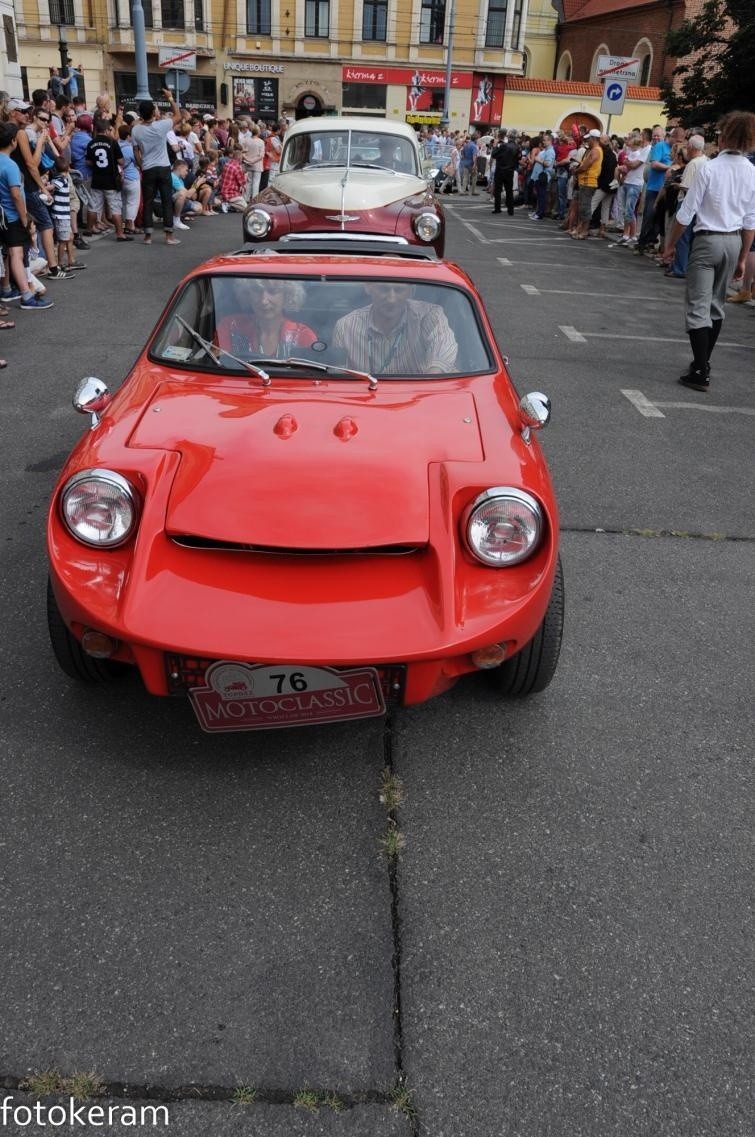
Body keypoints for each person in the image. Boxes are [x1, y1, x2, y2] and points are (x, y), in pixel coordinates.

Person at [663, 111, 755, 392]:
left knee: (698, 307)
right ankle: (702, 362)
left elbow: (685, 214)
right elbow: (751, 220)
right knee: (716, 306)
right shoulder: (751, 172)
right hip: (733, 240)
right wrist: (742, 257)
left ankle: (701, 369)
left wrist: (670, 245)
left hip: (707, 240)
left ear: (724, 136)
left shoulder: (710, 168)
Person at [333, 282, 457, 375]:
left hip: (418, 399)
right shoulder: (345, 326)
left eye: (399, 290)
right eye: (384, 289)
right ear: (368, 287)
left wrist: (433, 376)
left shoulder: (429, 315)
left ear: (411, 291)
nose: (391, 299)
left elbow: (444, 346)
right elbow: (337, 376)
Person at [0, 121, 54, 312]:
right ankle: (26, 295)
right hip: (12, 216)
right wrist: (24, 217)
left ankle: (6, 289)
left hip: (2, 216)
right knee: (16, 254)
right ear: (14, 141)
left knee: (6, 253)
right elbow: (15, 194)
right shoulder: (10, 165)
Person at [215, 278, 317, 358]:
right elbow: (216, 367)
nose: (264, 300)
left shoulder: (303, 336)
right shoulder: (230, 326)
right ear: (247, 294)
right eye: (257, 290)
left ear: (287, 295)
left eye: (272, 291)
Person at [131, 89, 183, 246]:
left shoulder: (136, 130)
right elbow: (178, 116)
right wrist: (170, 98)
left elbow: (136, 152)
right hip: (163, 167)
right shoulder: (161, 126)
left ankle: (148, 237)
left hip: (148, 168)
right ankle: (169, 236)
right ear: (153, 113)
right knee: (167, 200)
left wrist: (142, 165)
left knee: (148, 201)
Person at [86, 118, 129, 240]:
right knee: (115, 207)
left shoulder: (91, 143)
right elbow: (121, 161)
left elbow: (88, 162)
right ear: (106, 129)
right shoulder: (112, 142)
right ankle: (120, 233)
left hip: (97, 180)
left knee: (93, 206)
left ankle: (89, 229)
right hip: (111, 180)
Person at [572, 129, 602, 239]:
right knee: (583, 207)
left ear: (594, 139)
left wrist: (575, 171)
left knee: (585, 208)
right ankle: (581, 229)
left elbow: (585, 166)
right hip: (585, 182)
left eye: (588, 139)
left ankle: (584, 231)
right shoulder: (594, 150)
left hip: (588, 182)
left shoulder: (595, 151)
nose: (587, 141)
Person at [490, 129, 519, 216]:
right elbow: (518, 158)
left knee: (498, 190)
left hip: (500, 170)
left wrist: (495, 146)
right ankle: (511, 210)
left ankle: (497, 208)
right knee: (509, 191)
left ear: (509, 136)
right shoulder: (517, 147)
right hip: (510, 171)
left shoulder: (504, 146)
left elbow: (494, 155)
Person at [529, 130, 555, 220]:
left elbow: (548, 163)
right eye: (543, 140)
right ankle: (538, 212)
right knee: (539, 195)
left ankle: (540, 214)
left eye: (545, 140)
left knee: (542, 195)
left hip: (543, 176)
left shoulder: (550, 151)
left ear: (550, 141)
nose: (543, 142)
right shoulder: (546, 150)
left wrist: (537, 159)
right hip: (538, 175)